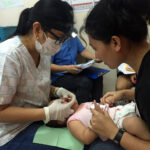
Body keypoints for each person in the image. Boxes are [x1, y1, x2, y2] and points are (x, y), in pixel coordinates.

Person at [0, 0, 77, 149]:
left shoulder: (43, 51)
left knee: (79, 139)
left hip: (34, 121)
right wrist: (46, 113)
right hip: (10, 132)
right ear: (37, 29)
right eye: (58, 38)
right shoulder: (8, 56)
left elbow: (32, 83)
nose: (60, 45)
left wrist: (57, 91)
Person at [84, 0, 150, 149]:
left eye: (95, 48)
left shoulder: (147, 84)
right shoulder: (144, 66)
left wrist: (114, 132)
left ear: (115, 42)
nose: (97, 57)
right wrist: (124, 94)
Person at [67, 101, 150, 144]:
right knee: (134, 124)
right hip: (114, 123)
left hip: (120, 110)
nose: (65, 98)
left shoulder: (82, 104)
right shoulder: (72, 120)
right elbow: (86, 138)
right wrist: (96, 119)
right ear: (59, 120)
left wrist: (106, 103)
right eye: (62, 102)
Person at [51, 36, 103, 104]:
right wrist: (67, 68)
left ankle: (97, 104)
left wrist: (95, 57)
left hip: (74, 70)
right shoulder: (52, 40)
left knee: (98, 75)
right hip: (59, 76)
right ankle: (82, 110)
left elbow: (82, 51)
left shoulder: (73, 36)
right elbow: (48, 66)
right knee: (85, 82)